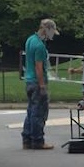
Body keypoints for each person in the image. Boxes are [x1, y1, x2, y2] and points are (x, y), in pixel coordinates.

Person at [21, 18, 59, 150]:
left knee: (31, 111)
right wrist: (42, 86)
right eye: (52, 32)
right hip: (37, 82)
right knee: (39, 113)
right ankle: (38, 140)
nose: (52, 35)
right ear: (46, 30)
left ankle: (27, 139)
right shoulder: (40, 46)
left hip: (29, 81)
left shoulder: (30, 40)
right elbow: (39, 68)